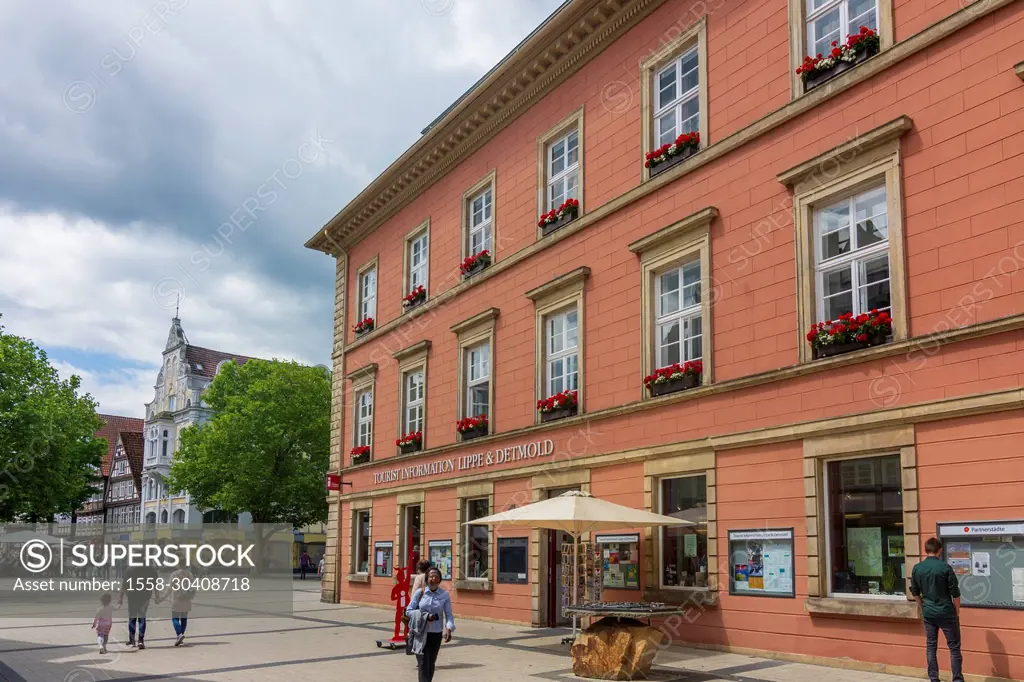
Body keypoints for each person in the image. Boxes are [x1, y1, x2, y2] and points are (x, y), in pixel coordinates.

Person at [911, 537, 964, 682]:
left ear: (925, 550)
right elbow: (956, 593)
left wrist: (922, 607)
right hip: (946, 612)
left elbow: (914, 592)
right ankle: (957, 679)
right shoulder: (945, 568)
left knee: (931, 646)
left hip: (928, 612)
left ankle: (933, 679)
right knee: (954, 648)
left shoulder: (917, 568)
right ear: (940, 550)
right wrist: (956, 612)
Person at [405, 566, 454, 682]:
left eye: (436, 576)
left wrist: (449, 628)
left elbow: (449, 615)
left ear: (440, 579)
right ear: (427, 578)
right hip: (420, 633)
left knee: (430, 664)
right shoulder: (420, 593)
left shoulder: (444, 595)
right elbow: (409, 610)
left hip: (435, 634)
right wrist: (425, 616)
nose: (434, 579)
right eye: (431, 576)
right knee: (423, 663)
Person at [118, 561, 159, 649]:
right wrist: (157, 595)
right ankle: (141, 640)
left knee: (132, 617)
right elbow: (156, 583)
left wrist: (120, 598)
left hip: (132, 596)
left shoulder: (129, 569)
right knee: (142, 617)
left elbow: (124, 584)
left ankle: (132, 640)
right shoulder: (150, 568)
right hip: (145, 596)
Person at [161, 558, 197, 647]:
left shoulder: (175, 574)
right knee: (184, 618)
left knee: (175, 618)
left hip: (176, 599)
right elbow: (193, 587)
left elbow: (169, 588)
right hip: (186, 599)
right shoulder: (190, 574)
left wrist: (162, 598)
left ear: (178, 564)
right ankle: (181, 635)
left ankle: (179, 634)